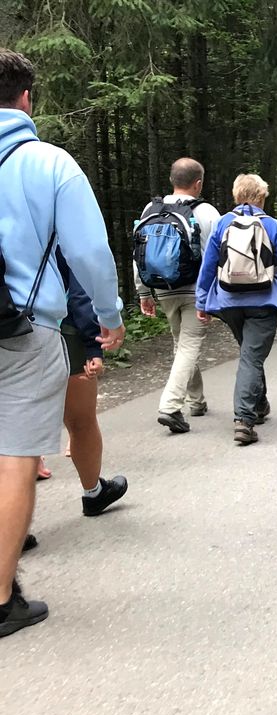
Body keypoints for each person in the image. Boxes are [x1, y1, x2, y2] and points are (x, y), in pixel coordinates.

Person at [0, 48, 124, 638]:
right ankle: (2, 598)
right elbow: (90, 253)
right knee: (16, 456)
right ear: (27, 98)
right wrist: (109, 316)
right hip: (21, 331)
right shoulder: (47, 162)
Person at [195, 173, 277, 446]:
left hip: (229, 301)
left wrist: (202, 300)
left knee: (249, 354)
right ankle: (244, 420)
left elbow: (209, 265)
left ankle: (259, 404)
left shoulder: (223, 223)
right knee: (251, 358)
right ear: (262, 197)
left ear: (236, 195)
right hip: (264, 302)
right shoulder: (272, 225)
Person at [136, 158, 222, 435]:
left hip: (162, 288)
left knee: (182, 344)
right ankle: (170, 406)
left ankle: (196, 402)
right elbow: (217, 256)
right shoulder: (207, 212)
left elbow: (138, 254)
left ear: (172, 180)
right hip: (195, 288)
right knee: (188, 345)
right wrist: (211, 294)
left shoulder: (152, 209)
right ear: (198, 183)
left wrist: (143, 292)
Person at [59, 256, 128, 516]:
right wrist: (92, 344)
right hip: (56, 329)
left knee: (14, 427)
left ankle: (12, 520)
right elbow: (84, 274)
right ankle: (93, 492)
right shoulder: (50, 214)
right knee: (81, 421)